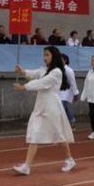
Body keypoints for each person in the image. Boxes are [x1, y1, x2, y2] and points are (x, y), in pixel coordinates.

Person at [12, 46, 76, 175]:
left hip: (52, 106)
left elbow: (42, 83)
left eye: (47, 55)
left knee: (58, 134)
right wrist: (23, 71)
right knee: (34, 133)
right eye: (44, 55)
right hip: (41, 105)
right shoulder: (45, 70)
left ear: (54, 56)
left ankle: (70, 159)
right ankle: (27, 166)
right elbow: (34, 74)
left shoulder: (57, 72)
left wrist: (24, 87)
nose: (44, 57)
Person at [59, 54, 79, 128]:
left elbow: (73, 82)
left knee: (61, 108)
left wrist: (75, 93)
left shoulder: (69, 70)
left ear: (65, 60)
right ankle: (71, 119)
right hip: (59, 91)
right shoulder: (57, 69)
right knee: (64, 108)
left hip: (66, 92)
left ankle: (63, 126)